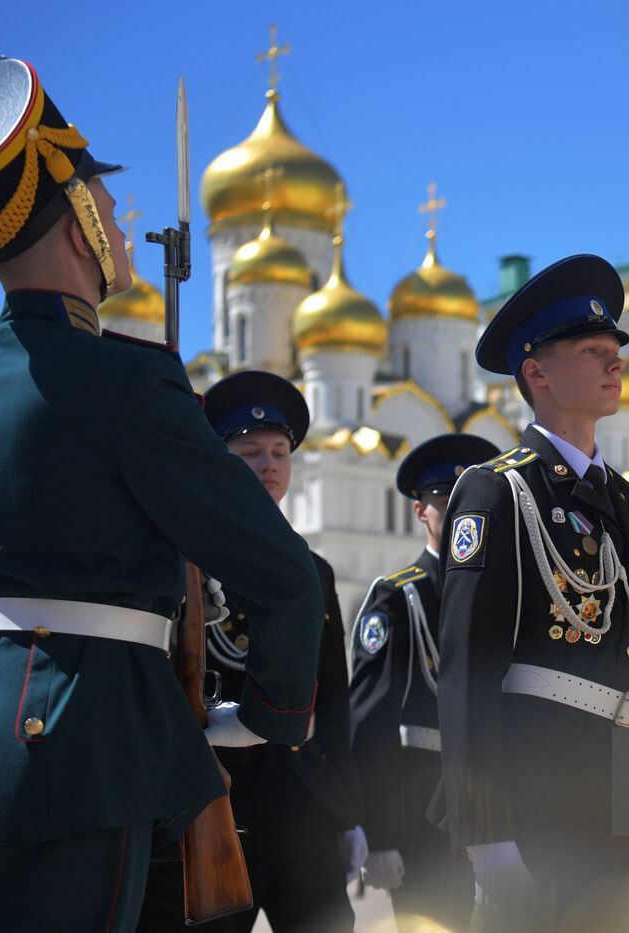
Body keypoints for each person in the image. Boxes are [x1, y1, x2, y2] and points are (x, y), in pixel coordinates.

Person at [0, 59, 323, 931]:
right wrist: (264, 715)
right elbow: (282, 572)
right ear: (78, 220)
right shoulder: (130, 384)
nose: (116, 219)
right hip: (80, 756)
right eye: (105, 202)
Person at [437, 255, 629, 931]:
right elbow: (467, 669)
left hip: (626, 798)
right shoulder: (497, 490)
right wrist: (487, 835)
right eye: (593, 351)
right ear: (536, 372)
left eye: (616, 351)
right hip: (538, 797)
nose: (614, 363)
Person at [137, 371, 364, 932]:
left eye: (280, 452)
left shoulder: (313, 572)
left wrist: (346, 811)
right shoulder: (178, 559)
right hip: (204, 805)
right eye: (249, 451)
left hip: (301, 807)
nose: (268, 464)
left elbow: (333, 697)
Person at [349, 432, 498, 931]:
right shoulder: (399, 597)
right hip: (423, 805)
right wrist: (382, 834)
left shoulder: (504, 592)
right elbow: (370, 723)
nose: (455, 512)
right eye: (442, 499)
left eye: (466, 501)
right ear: (421, 511)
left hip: (497, 796)